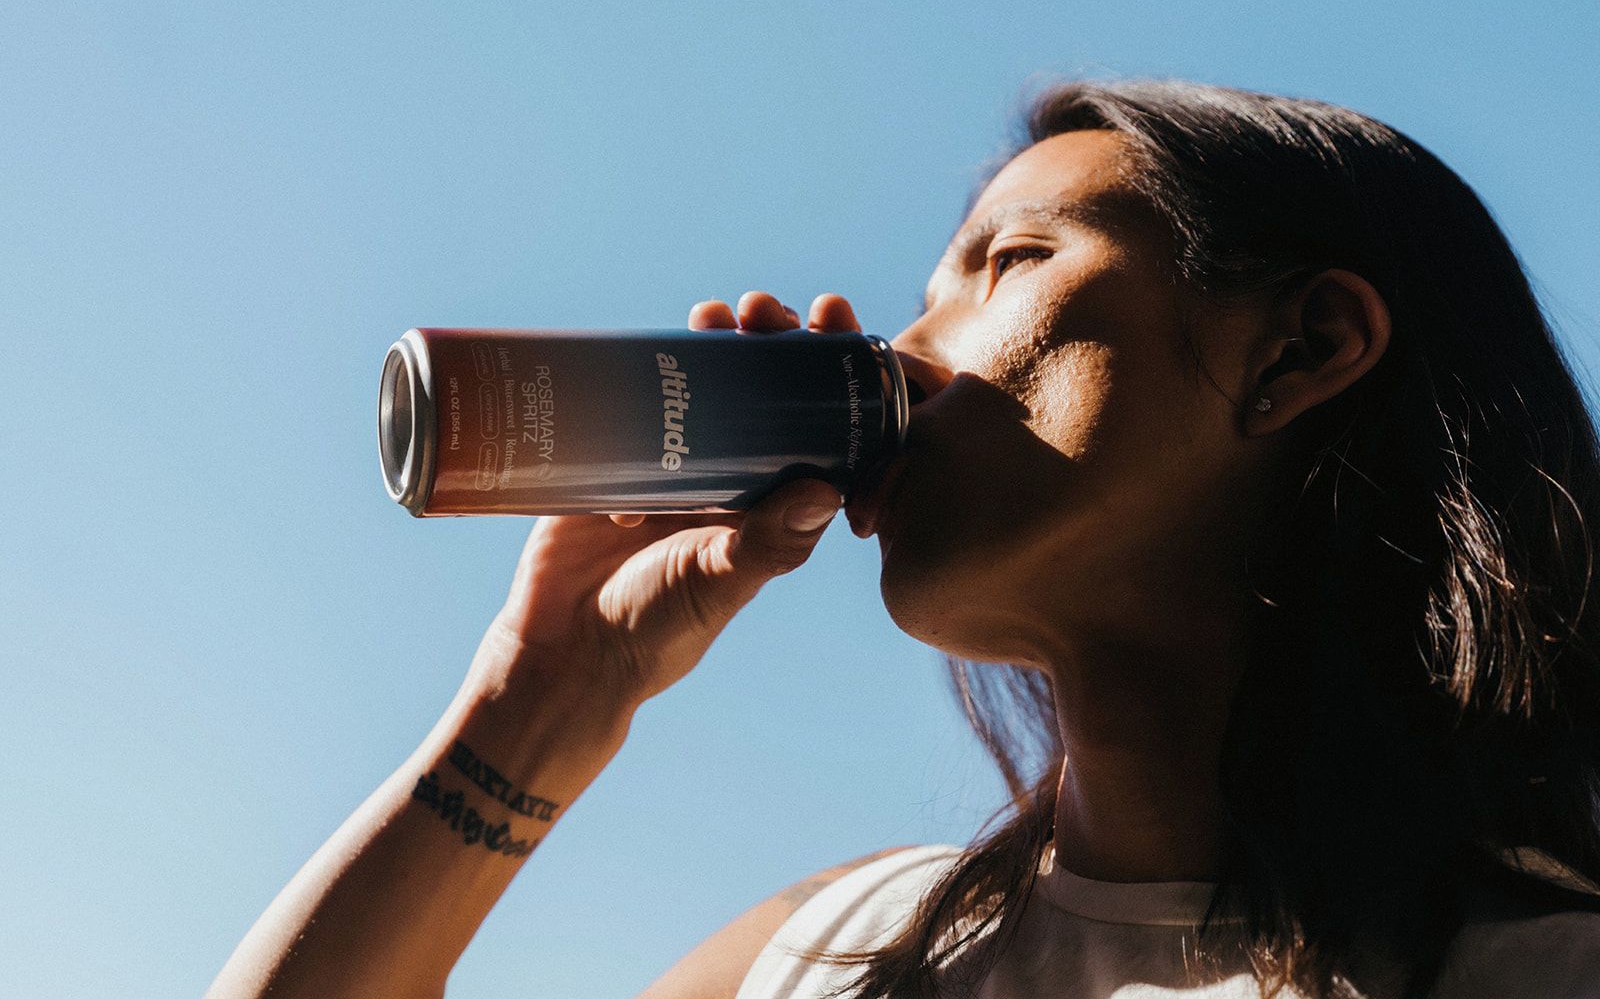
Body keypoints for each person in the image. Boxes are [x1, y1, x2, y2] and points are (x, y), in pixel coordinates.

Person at [205, 80, 1600, 999]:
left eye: (1012, 262)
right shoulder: (844, 951)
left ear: (1302, 350)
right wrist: (544, 697)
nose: (904, 351)